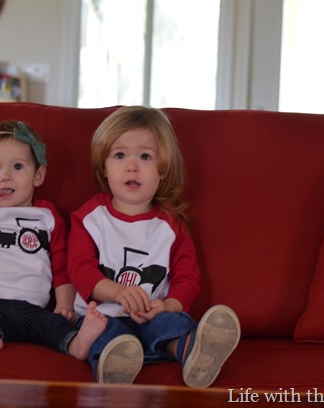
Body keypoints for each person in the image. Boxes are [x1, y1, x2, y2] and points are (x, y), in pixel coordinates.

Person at [68, 106, 241, 388]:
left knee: (171, 324)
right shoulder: (89, 218)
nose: (132, 166)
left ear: (164, 170)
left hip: (152, 314)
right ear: (104, 167)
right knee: (107, 334)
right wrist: (118, 292)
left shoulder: (172, 225)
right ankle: (113, 368)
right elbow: (80, 270)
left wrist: (167, 305)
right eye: (119, 155)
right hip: (102, 315)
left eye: (145, 156)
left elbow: (188, 278)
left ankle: (190, 351)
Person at [0, 119, 106, 360]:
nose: (5, 177)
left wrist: (64, 304)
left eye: (18, 167)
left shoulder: (47, 217)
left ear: (38, 175)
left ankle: (76, 343)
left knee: (53, 325)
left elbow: (62, 265)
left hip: (33, 309)